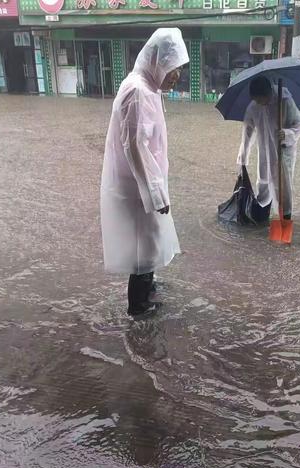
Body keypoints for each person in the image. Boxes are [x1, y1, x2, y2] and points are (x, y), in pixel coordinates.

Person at [100, 28, 189, 316]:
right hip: (137, 188)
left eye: (180, 69)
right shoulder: (137, 91)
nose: (176, 75)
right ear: (157, 61)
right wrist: (154, 192)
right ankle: (138, 307)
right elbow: (134, 147)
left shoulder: (149, 88)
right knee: (143, 245)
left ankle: (147, 290)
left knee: (150, 241)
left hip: (147, 184)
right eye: (173, 68)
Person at [237, 75, 300, 220]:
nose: (259, 103)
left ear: (268, 93)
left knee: (283, 186)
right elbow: (247, 131)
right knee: (263, 181)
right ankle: (262, 215)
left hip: (283, 151)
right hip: (264, 150)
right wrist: (243, 158)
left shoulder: (285, 101)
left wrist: (287, 134)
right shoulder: (254, 106)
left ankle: (285, 217)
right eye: (256, 100)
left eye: (261, 99)